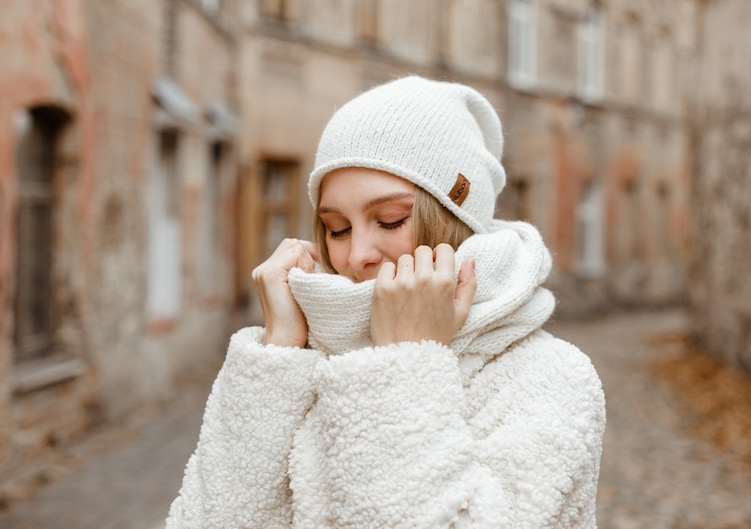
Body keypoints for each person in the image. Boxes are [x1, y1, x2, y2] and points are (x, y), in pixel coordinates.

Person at [165, 76, 605, 528]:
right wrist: (277, 356)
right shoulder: (303, 364)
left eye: (391, 220)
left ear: (456, 215)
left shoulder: (550, 380)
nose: (357, 255)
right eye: (337, 228)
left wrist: (403, 364)